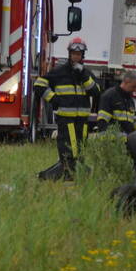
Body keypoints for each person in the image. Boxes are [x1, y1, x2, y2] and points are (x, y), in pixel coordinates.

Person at [33, 38, 101, 180]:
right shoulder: (59, 72)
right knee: (68, 150)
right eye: (74, 53)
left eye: (79, 54)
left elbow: (96, 92)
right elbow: (39, 84)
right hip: (66, 119)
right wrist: (54, 99)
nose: (76, 56)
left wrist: (83, 76)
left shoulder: (87, 73)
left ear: (82, 55)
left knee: (80, 150)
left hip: (82, 120)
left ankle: (74, 174)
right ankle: (60, 174)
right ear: (69, 54)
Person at [96, 70, 136, 135]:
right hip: (113, 139)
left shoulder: (130, 100)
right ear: (126, 81)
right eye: (134, 86)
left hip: (127, 138)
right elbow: (102, 123)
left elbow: (129, 122)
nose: (135, 90)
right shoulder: (109, 96)